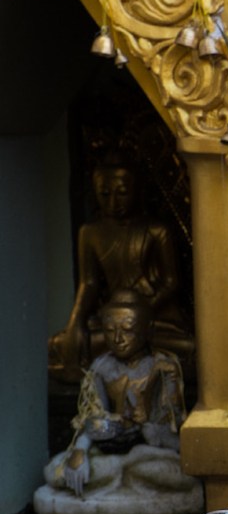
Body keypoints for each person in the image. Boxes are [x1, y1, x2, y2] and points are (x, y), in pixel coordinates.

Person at [37, 290, 202, 514]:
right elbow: (92, 417)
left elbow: (174, 437)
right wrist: (81, 451)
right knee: (56, 470)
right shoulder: (101, 366)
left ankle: (119, 478)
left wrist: (146, 424)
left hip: (149, 453)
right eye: (109, 330)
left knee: (166, 472)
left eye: (127, 329)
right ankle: (119, 477)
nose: (118, 338)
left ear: (148, 330)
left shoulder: (163, 366)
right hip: (109, 453)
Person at [48, 154, 193, 382]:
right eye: (104, 194)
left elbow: (171, 282)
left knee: (191, 348)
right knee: (59, 345)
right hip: (113, 320)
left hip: (156, 318)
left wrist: (141, 312)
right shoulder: (90, 233)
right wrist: (75, 321)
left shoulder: (156, 231)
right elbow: (89, 283)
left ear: (137, 191)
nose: (113, 202)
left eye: (122, 192)